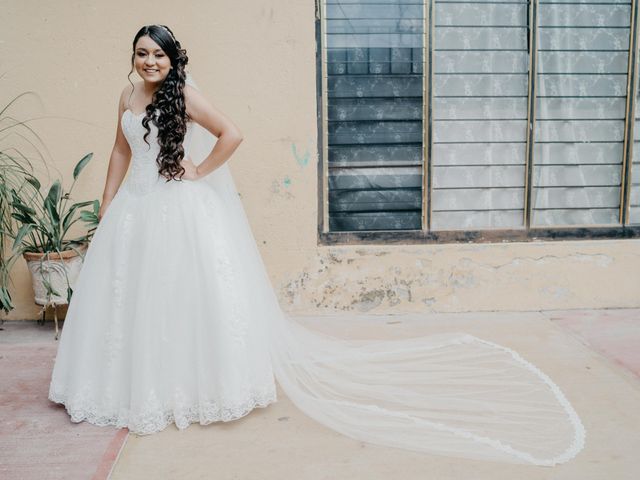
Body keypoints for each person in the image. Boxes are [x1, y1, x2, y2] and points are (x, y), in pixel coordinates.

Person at [48, 25, 586, 466]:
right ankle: (129, 385)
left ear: (172, 60)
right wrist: (107, 200)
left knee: (182, 297)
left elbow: (232, 133)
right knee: (131, 297)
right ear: (133, 58)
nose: (148, 62)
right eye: (141, 53)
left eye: (157, 54)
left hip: (176, 207)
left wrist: (198, 173)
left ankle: (184, 387)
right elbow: (119, 149)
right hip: (134, 212)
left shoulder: (184, 95)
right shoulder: (125, 95)